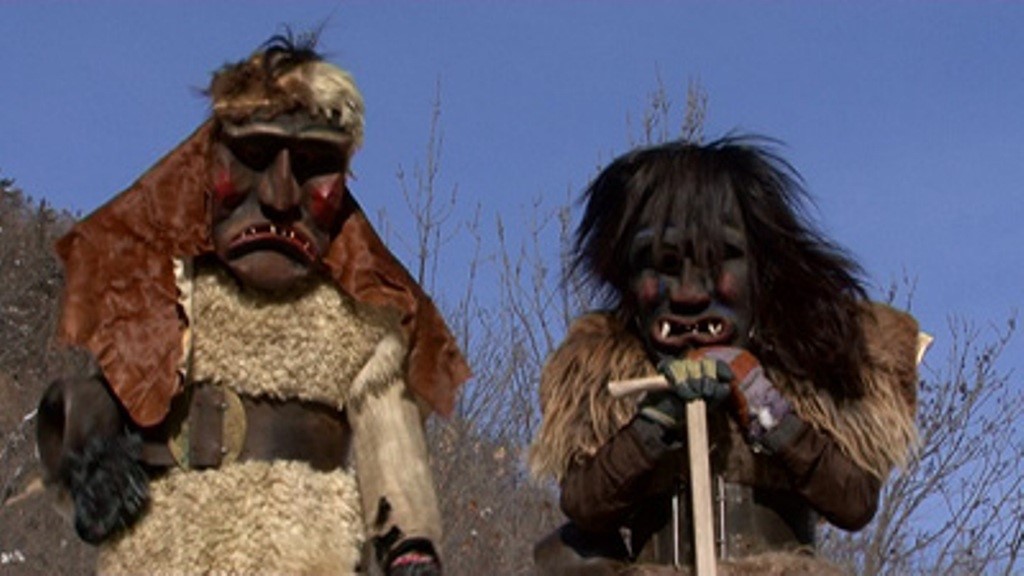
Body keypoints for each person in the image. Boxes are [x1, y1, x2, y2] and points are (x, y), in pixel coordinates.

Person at [36, 34, 469, 575]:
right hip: (162, 553)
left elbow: (390, 442)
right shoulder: (163, 289)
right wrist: (85, 452)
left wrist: (410, 544)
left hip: (301, 558)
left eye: (311, 167)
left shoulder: (361, 319)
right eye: (255, 157)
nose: (280, 195)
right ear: (210, 161)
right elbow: (111, 396)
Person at [530, 136, 923, 574]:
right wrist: (657, 419)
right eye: (662, 264)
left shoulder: (816, 362)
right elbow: (584, 504)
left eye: (717, 262)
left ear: (759, 269)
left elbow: (853, 502)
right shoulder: (601, 374)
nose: (688, 294)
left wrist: (763, 402)